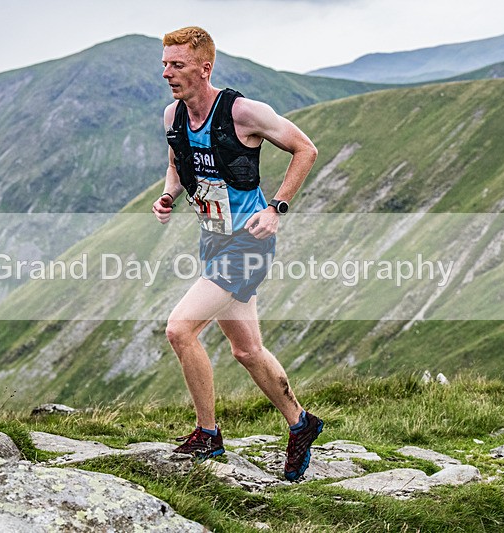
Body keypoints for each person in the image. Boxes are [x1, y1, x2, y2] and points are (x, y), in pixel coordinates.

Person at [151, 26, 322, 482]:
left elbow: (305, 149)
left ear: (204, 68)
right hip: (213, 238)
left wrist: (276, 207)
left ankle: (208, 434)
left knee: (180, 329)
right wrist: (169, 195)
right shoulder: (173, 117)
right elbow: (175, 164)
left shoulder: (243, 111)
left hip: (248, 243)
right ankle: (301, 424)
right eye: (165, 63)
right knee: (248, 350)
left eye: (177, 65)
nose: (167, 73)